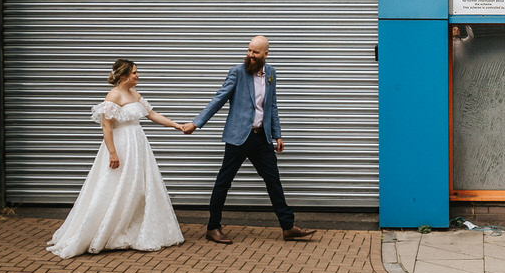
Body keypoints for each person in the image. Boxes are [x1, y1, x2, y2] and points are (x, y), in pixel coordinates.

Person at [46, 59, 188, 258]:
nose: (138, 76)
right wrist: (112, 152)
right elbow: (106, 126)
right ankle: (106, 230)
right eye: (135, 73)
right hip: (121, 145)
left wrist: (177, 125)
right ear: (123, 76)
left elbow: (152, 114)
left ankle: (132, 226)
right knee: (115, 186)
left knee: (138, 186)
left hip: (138, 144)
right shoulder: (113, 95)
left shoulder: (135, 94)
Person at [191, 35, 316, 243]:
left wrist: (277, 134)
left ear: (265, 54)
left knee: (273, 181)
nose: (250, 55)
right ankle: (213, 227)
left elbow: (272, 106)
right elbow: (218, 99)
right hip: (238, 137)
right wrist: (196, 123)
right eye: (249, 51)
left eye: (255, 52)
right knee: (224, 182)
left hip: (261, 139)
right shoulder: (237, 73)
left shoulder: (271, 74)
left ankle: (288, 227)